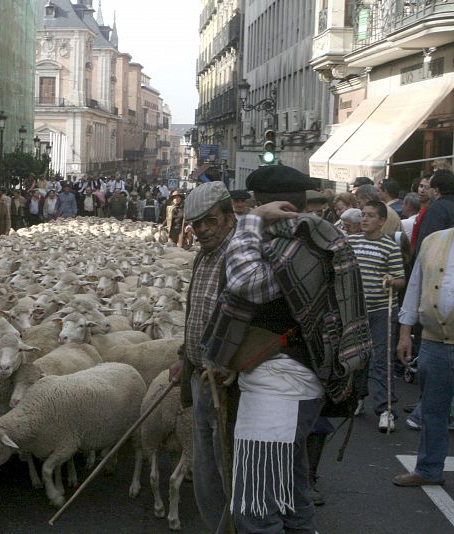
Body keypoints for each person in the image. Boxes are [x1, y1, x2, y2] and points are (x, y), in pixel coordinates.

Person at [201, 165, 371, 532]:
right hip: (283, 383)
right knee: (290, 497)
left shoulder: (300, 241)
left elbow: (247, 283)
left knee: (255, 508)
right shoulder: (296, 239)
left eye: (254, 205)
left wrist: (250, 223)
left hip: (281, 387)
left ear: (266, 204)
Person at [168, 181, 236, 533]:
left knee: (228, 463)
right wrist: (186, 356)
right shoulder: (204, 256)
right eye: (197, 224)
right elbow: (197, 313)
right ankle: (216, 526)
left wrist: (231, 366)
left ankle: (233, 526)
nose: (203, 229)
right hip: (199, 376)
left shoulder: (238, 256)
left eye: (211, 220)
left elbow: (250, 318)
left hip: (226, 382)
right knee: (205, 464)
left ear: (229, 216)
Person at [393, 224, 454, 487]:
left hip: (435, 345)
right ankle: (428, 470)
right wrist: (404, 334)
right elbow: (414, 288)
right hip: (433, 341)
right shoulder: (433, 241)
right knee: (432, 411)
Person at [349, 201, 405, 430]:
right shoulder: (351, 242)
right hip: (356, 310)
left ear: (382, 221)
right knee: (357, 357)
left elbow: (401, 280)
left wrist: (391, 280)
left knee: (382, 359)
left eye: (370, 216)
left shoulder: (390, 246)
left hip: (382, 310)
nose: (364, 219)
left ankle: (385, 409)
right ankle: (357, 397)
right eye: (363, 215)